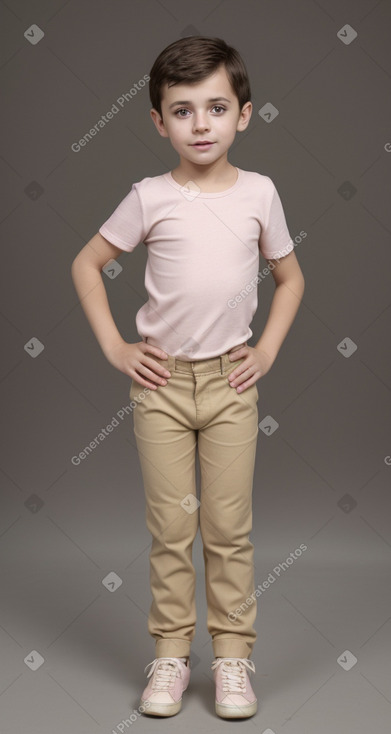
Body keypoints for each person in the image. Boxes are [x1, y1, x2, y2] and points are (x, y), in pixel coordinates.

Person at [71, 35, 305, 720]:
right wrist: (117, 347)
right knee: (171, 529)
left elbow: (290, 279)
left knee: (228, 529)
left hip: (232, 387)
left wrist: (265, 351)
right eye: (181, 110)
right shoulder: (148, 198)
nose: (199, 125)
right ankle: (170, 657)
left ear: (244, 114)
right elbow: (86, 264)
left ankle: (232, 660)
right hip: (161, 388)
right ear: (157, 121)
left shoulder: (259, 193)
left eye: (214, 108)